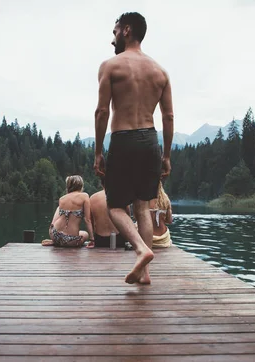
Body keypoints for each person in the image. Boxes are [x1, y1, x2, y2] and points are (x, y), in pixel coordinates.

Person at [93, 12, 174, 285]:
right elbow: (169, 117)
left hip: (123, 139)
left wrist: (98, 151)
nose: (112, 38)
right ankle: (144, 272)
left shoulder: (111, 66)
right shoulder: (160, 72)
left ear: (127, 30)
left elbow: (102, 111)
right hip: (151, 141)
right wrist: (166, 156)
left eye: (115, 31)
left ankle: (141, 250)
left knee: (115, 205)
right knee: (143, 207)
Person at [43, 175, 94, 247]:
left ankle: (56, 242)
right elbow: (87, 220)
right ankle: (62, 241)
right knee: (85, 234)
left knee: (59, 209)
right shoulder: (84, 196)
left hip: (55, 235)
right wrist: (92, 239)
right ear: (81, 185)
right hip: (71, 240)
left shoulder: (62, 199)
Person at [87, 177, 128, 249]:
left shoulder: (92, 198)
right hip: (118, 238)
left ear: (101, 184)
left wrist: (92, 239)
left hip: (100, 239)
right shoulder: (121, 195)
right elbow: (127, 218)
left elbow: (90, 220)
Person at [149, 182, 173, 248]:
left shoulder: (144, 199)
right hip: (163, 239)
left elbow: (137, 218)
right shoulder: (166, 199)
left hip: (148, 238)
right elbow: (169, 221)